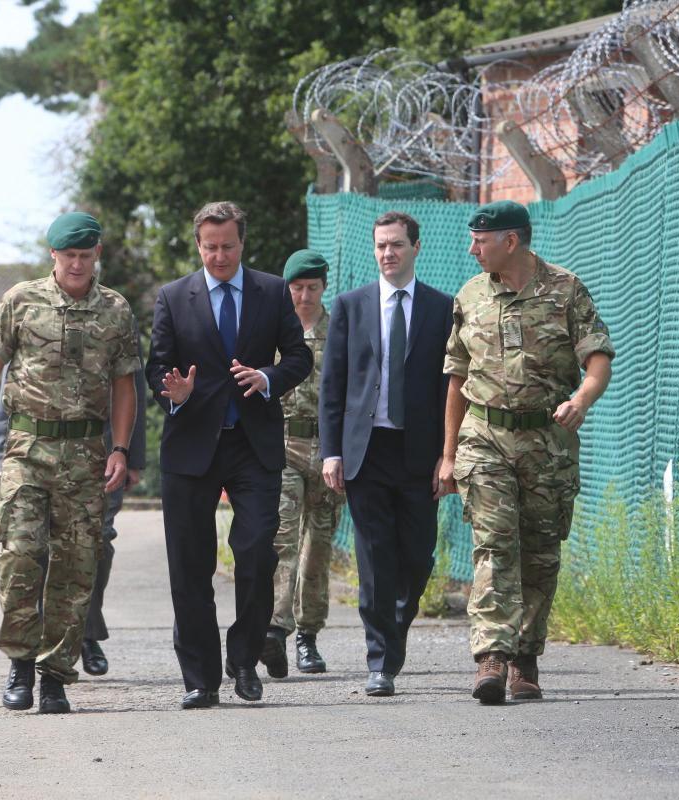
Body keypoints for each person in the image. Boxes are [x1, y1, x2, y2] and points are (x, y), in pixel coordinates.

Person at [0, 211, 139, 714]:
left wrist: (121, 449)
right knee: (20, 555)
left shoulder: (116, 311)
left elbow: (126, 384)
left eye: (87, 255)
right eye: (70, 256)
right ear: (54, 256)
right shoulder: (21, 301)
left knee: (75, 567)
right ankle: (19, 663)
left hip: (86, 454)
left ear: (97, 255)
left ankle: (56, 675)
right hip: (26, 449)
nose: (78, 264)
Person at [438, 200, 613, 705]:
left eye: (480, 240)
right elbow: (456, 378)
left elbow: (598, 358)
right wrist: (448, 455)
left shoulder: (565, 289)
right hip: (484, 436)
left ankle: (525, 657)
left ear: (510, 241)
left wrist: (581, 398)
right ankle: (490, 655)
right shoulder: (469, 296)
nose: (471, 249)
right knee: (494, 543)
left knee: (540, 550)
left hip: (547, 443)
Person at [146, 201, 312, 709]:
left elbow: (300, 356)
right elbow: (157, 367)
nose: (219, 255)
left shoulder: (269, 292)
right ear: (198, 245)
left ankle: (244, 658)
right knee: (190, 565)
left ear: (243, 244)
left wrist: (268, 379)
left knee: (258, 549)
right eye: (210, 246)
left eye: (228, 246)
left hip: (252, 442)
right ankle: (200, 677)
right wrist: (171, 393)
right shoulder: (174, 297)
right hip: (191, 444)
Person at [318, 210, 453, 697]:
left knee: (417, 557)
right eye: (380, 246)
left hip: (419, 453)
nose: (388, 253)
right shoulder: (350, 306)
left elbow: (450, 389)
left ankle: (396, 627)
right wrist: (331, 451)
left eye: (396, 244)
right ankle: (379, 660)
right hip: (366, 451)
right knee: (373, 557)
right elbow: (333, 386)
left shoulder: (443, 309)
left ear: (416, 247)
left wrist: (448, 455)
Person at [0, 343, 148, 677]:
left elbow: (132, 391)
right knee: (34, 549)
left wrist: (132, 455)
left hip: (100, 454)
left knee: (95, 543)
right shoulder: (33, 313)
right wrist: (5, 455)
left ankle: (86, 634)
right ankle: (42, 648)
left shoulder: (111, 315)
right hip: (33, 456)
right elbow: (9, 395)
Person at [259, 249, 345, 678]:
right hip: (284, 444)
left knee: (320, 546)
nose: (305, 295)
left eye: (312, 287)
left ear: (324, 287)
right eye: (297, 288)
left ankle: (308, 635)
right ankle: (276, 628)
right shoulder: (273, 331)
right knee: (283, 538)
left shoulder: (340, 329)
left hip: (329, 448)